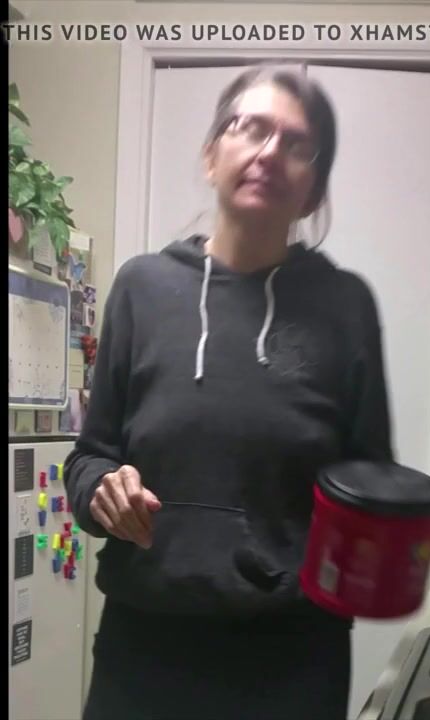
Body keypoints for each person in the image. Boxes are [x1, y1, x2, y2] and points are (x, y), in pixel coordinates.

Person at [64, 64, 393, 720]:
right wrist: (102, 490)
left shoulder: (345, 305)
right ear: (212, 154)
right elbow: (89, 458)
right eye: (251, 128)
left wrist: (394, 533)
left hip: (292, 665)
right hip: (144, 658)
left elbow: (371, 482)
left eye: (296, 144)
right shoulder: (142, 288)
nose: (269, 151)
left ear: (313, 189)